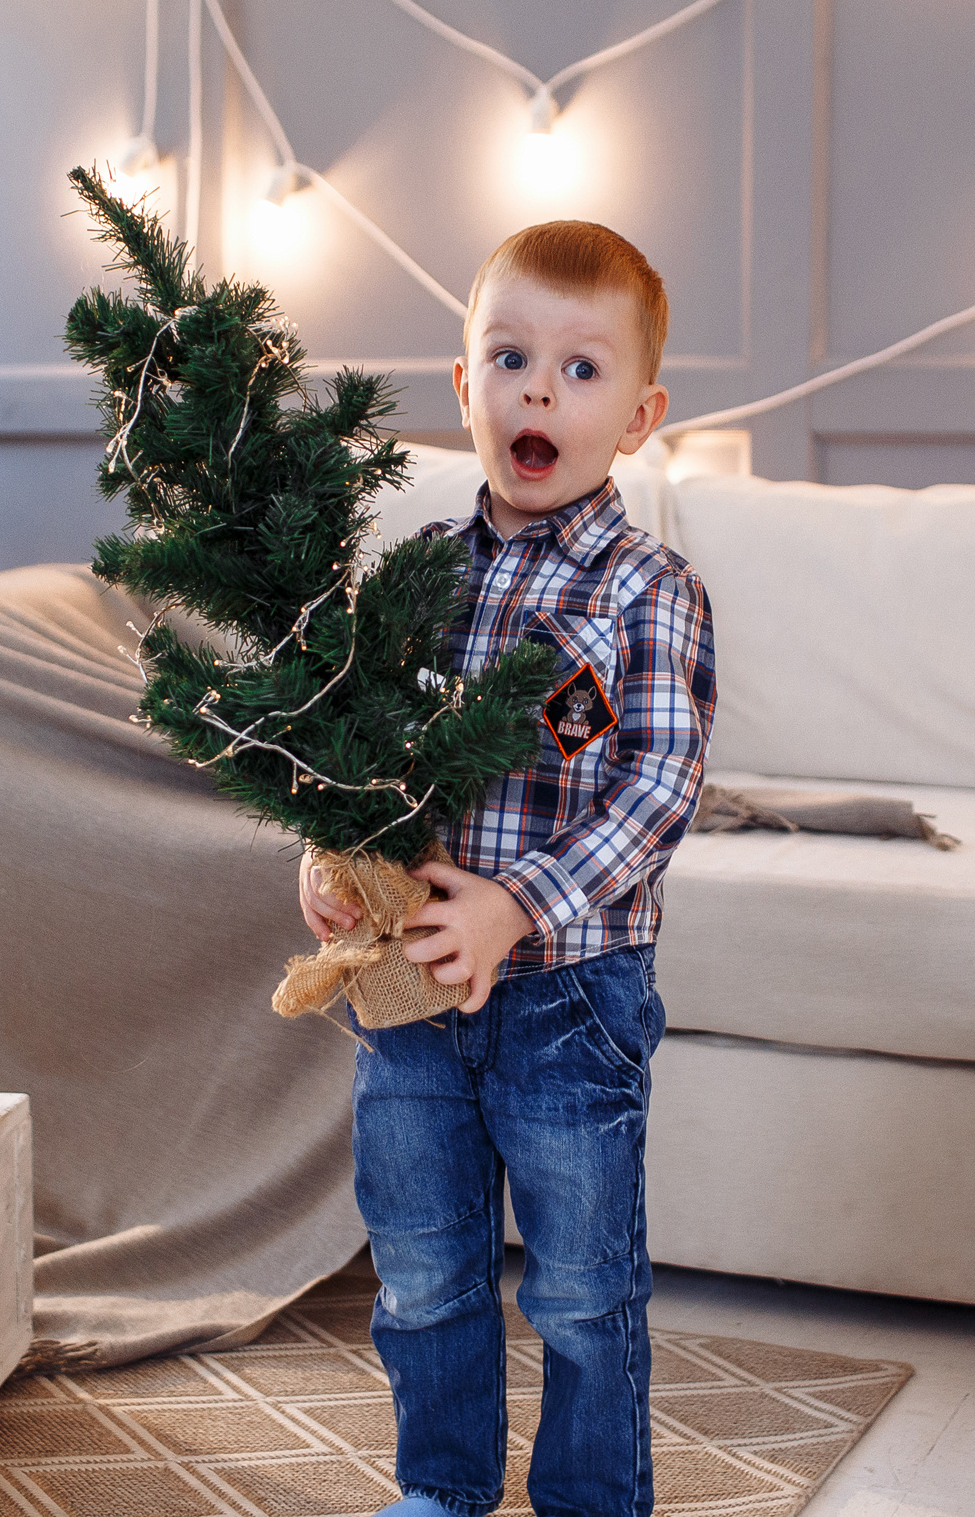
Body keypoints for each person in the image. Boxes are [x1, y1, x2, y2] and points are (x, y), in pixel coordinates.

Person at [298, 221, 716, 1517]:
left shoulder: (650, 591)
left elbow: (658, 787)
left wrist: (515, 901)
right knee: (423, 1271)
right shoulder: (414, 583)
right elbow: (355, 761)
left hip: (569, 1002)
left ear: (639, 416)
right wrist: (329, 865)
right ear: (467, 387)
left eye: (582, 371)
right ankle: (441, 1489)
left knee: (584, 1289)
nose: (542, 388)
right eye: (512, 356)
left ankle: (593, 1499)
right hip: (414, 1001)